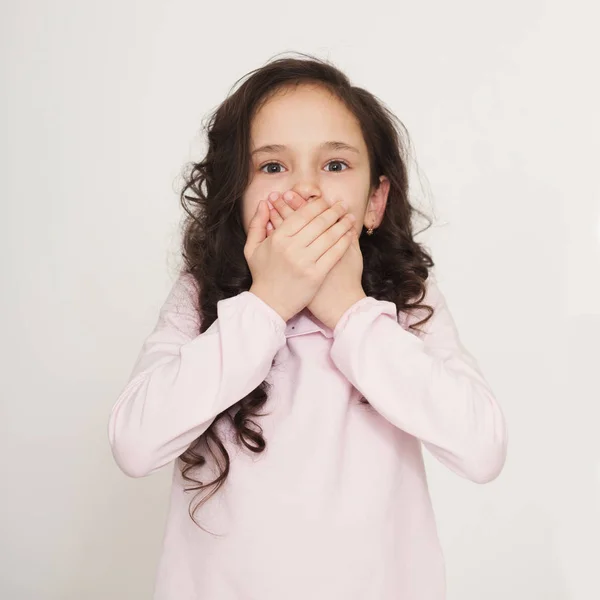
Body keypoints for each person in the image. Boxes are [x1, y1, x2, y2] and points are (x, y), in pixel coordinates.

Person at [108, 53, 508, 600]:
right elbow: (134, 444)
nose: (306, 190)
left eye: (335, 165)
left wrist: (349, 311)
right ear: (237, 196)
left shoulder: (405, 302)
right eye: (273, 167)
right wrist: (267, 303)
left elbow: (482, 449)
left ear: (375, 201)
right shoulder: (202, 298)